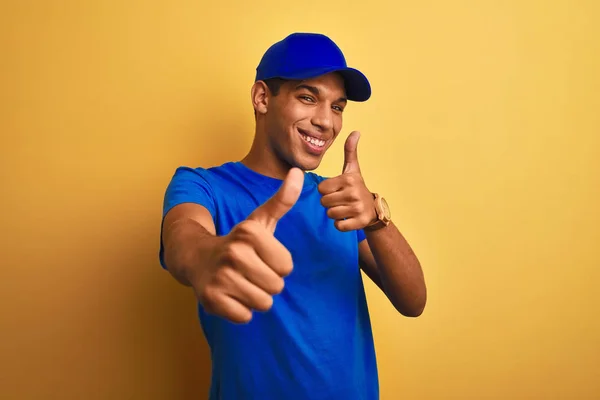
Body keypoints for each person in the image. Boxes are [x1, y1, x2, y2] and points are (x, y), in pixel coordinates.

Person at [159, 32, 427, 400]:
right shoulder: (203, 185)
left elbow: (413, 301)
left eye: (337, 106)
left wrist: (375, 217)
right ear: (262, 98)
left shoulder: (339, 199)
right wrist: (205, 257)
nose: (326, 122)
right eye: (307, 97)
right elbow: (183, 235)